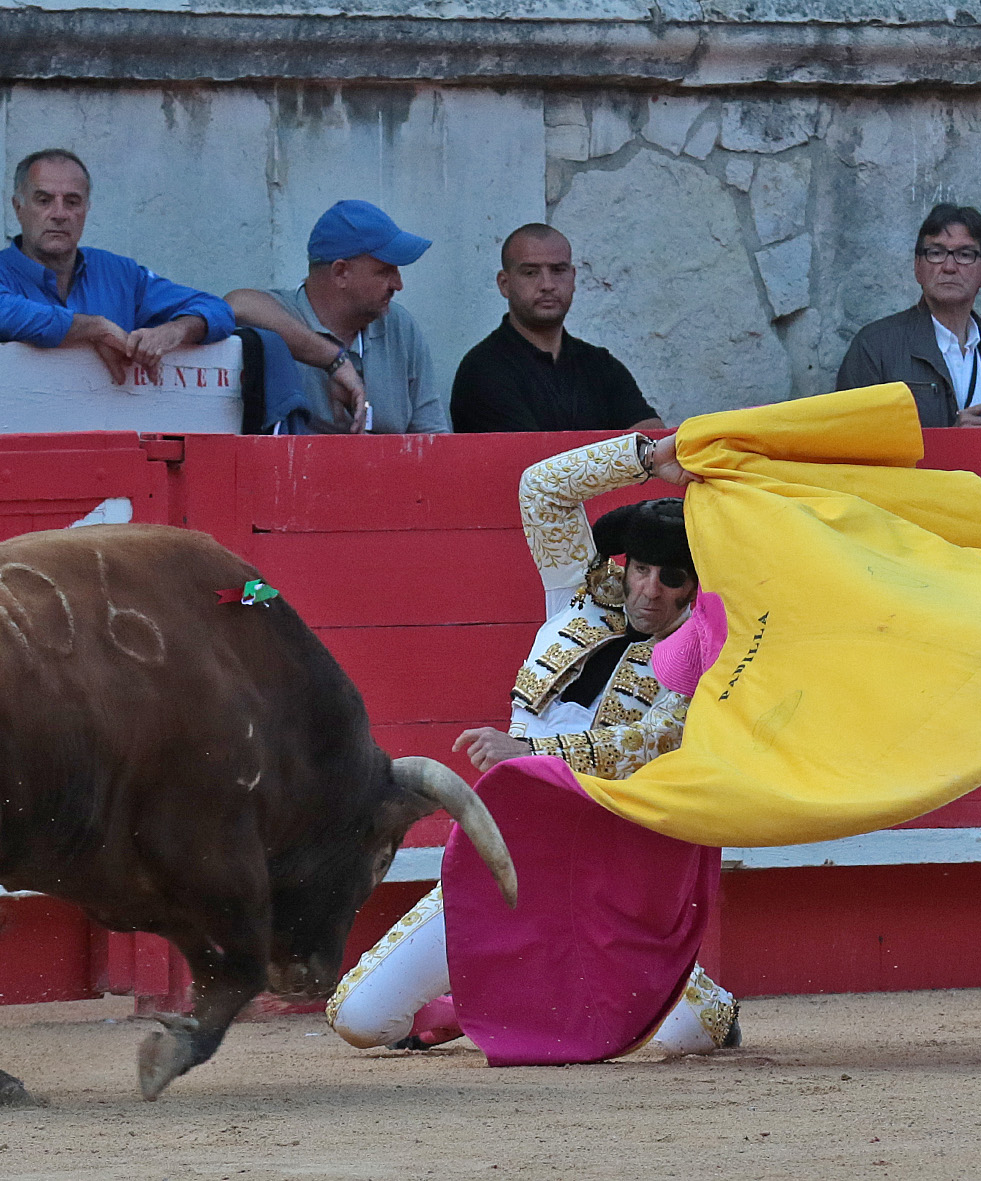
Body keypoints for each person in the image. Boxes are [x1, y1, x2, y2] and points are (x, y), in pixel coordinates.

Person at [327, 432, 740, 1062]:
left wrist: (530, 755)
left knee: (679, 1034)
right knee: (359, 1017)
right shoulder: (576, 592)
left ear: (695, 585)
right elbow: (543, 489)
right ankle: (489, 1000)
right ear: (622, 565)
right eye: (640, 569)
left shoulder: (705, 650)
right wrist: (651, 458)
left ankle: (707, 1003)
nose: (650, 590)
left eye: (672, 577)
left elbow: (654, 739)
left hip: (604, 880)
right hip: (503, 859)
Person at [0, 149, 235, 386]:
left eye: (72, 202)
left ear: (87, 209)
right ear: (18, 208)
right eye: (44, 200)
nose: (59, 214)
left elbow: (217, 309)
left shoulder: (119, 274)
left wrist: (175, 331)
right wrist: (94, 328)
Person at [225, 200, 446, 434]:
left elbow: (433, 439)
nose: (398, 285)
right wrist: (334, 360)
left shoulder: (400, 327)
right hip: (300, 469)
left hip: (390, 469)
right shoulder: (283, 316)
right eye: (385, 271)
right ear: (340, 272)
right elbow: (235, 304)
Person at [450, 224, 663, 433]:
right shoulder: (484, 370)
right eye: (531, 272)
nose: (547, 285)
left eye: (558, 270)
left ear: (573, 277)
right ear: (504, 284)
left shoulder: (600, 365)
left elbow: (651, 440)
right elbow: (529, 462)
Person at [834, 204, 981, 427]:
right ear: (917, 267)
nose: (949, 267)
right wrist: (950, 441)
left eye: (965, 254)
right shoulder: (874, 347)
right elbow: (850, 443)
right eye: (936, 253)